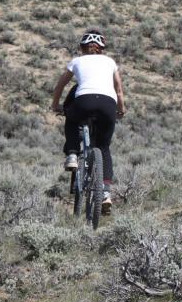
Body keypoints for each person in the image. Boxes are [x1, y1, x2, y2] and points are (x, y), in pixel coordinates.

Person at [50, 30, 127, 214]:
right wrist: (121, 109)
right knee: (104, 148)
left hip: (83, 100)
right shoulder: (109, 62)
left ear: (82, 48)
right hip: (108, 104)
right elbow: (119, 90)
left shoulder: (77, 61)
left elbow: (61, 85)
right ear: (101, 49)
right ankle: (106, 193)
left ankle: (72, 155)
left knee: (71, 117)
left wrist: (55, 105)